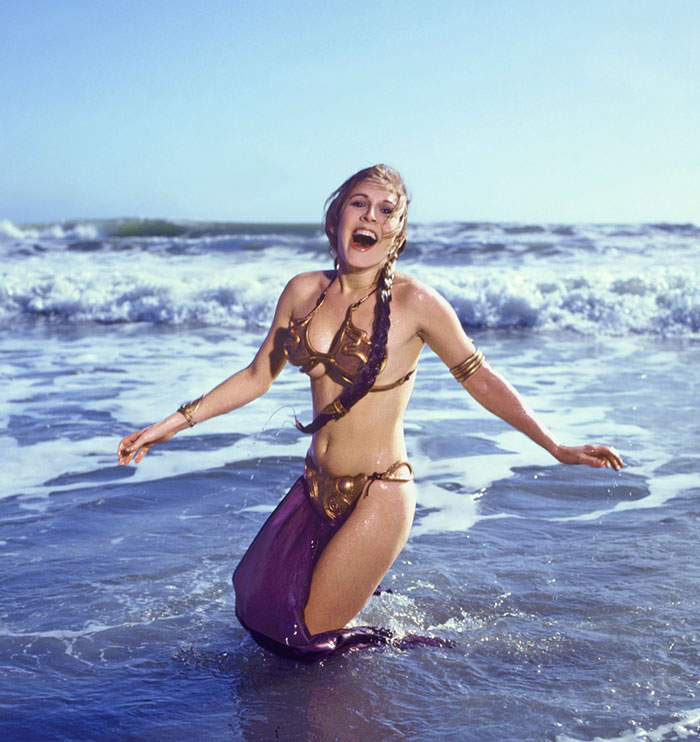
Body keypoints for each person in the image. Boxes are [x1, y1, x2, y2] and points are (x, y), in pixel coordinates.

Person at [117, 164, 623, 662]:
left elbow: (481, 378)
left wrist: (555, 446)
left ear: (398, 233)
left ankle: (383, 656)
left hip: (380, 493)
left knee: (304, 641)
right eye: (360, 204)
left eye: (388, 211)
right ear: (338, 215)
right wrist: (167, 426)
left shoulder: (416, 302)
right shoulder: (301, 291)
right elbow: (256, 376)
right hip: (313, 487)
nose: (372, 218)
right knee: (260, 612)